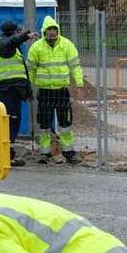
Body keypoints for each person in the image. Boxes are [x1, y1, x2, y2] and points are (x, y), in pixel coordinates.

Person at [25, 16, 85, 163]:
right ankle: (44, 153)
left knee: (65, 123)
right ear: (44, 32)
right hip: (44, 91)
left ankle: (68, 151)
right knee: (44, 123)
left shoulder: (66, 45)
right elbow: (30, 70)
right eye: (48, 31)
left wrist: (80, 84)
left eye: (54, 30)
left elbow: (75, 66)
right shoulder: (36, 47)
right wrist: (28, 89)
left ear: (58, 31)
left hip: (61, 91)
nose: (51, 33)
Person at [0, 21, 34, 143]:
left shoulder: (6, 47)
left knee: (10, 119)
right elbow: (11, 42)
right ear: (12, 33)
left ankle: (7, 151)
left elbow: (23, 71)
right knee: (11, 120)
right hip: (8, 89)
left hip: (9, 89)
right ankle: (7, 153)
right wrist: (25, 36)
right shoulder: (2, 44)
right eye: (17, 32)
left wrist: (29, 92)